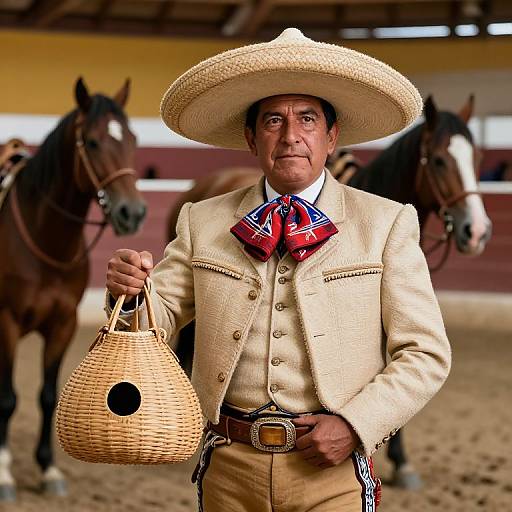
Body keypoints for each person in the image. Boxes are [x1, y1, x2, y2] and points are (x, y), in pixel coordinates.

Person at [105, 28, 451, 512]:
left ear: (331, 137)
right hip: (229, 465)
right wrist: (132, 293)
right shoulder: (201, 221)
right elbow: (153, 325)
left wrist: (356, 426)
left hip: (333, 472)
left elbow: (426, 352)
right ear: (251, 138)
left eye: (307, 119)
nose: (291, 136)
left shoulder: (387, 223)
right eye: (273, 121)